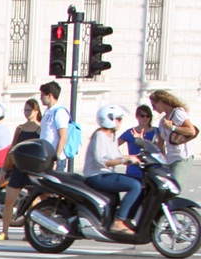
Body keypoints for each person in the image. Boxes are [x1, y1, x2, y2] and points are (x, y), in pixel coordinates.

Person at [83, 104, 139, 235]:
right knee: (134, 185)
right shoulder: (100, 135)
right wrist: (124, 160)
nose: (120, 122)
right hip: (96, 175)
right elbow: (102, 160)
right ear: (109, 119)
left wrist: (135, 157)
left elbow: (116, 156)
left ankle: (127, 218)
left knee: (140, 182)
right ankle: (119, 221)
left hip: (106, 174)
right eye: (118, 119)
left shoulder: (111, 135)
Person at [0, 98, 41, 241]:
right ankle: (4, 231)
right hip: (18, 168)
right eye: (25, 110)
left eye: (29, 110)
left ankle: (29, 233)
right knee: (9, 200)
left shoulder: (40, 129)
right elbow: (12, 148)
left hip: (32, 169)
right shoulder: (20, 128)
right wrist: (4, 168)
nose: (27, 113)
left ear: (36, 111)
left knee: (33, 203)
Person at [150, 89, 196, 190]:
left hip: (181, 157)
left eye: (154, 105)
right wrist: (161, 160)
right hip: (170, 159)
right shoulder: (163, 121)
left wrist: (172, 128)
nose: (153, 109)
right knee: (165, 188)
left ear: (161, 102)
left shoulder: (178, 113)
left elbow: (191, 131)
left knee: (174, 189)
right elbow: (161, 143)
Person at [117, 104, 158, 180]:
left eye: (147, 116)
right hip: (134, 169)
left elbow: (161, 150)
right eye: (142, 116)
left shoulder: (157, 131)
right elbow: (114, 146)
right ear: (137, 117)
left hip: (152, 169)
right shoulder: (130, 132)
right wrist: (123, 158)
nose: (145, 118)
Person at [38, 81, 70, 166]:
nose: (40, 98)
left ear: (49, 96)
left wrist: (56, 158)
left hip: (54, 159)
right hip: (45, 156)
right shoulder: (48, 111)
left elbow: (63, 137)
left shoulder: (59, 112)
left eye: (42, 95)